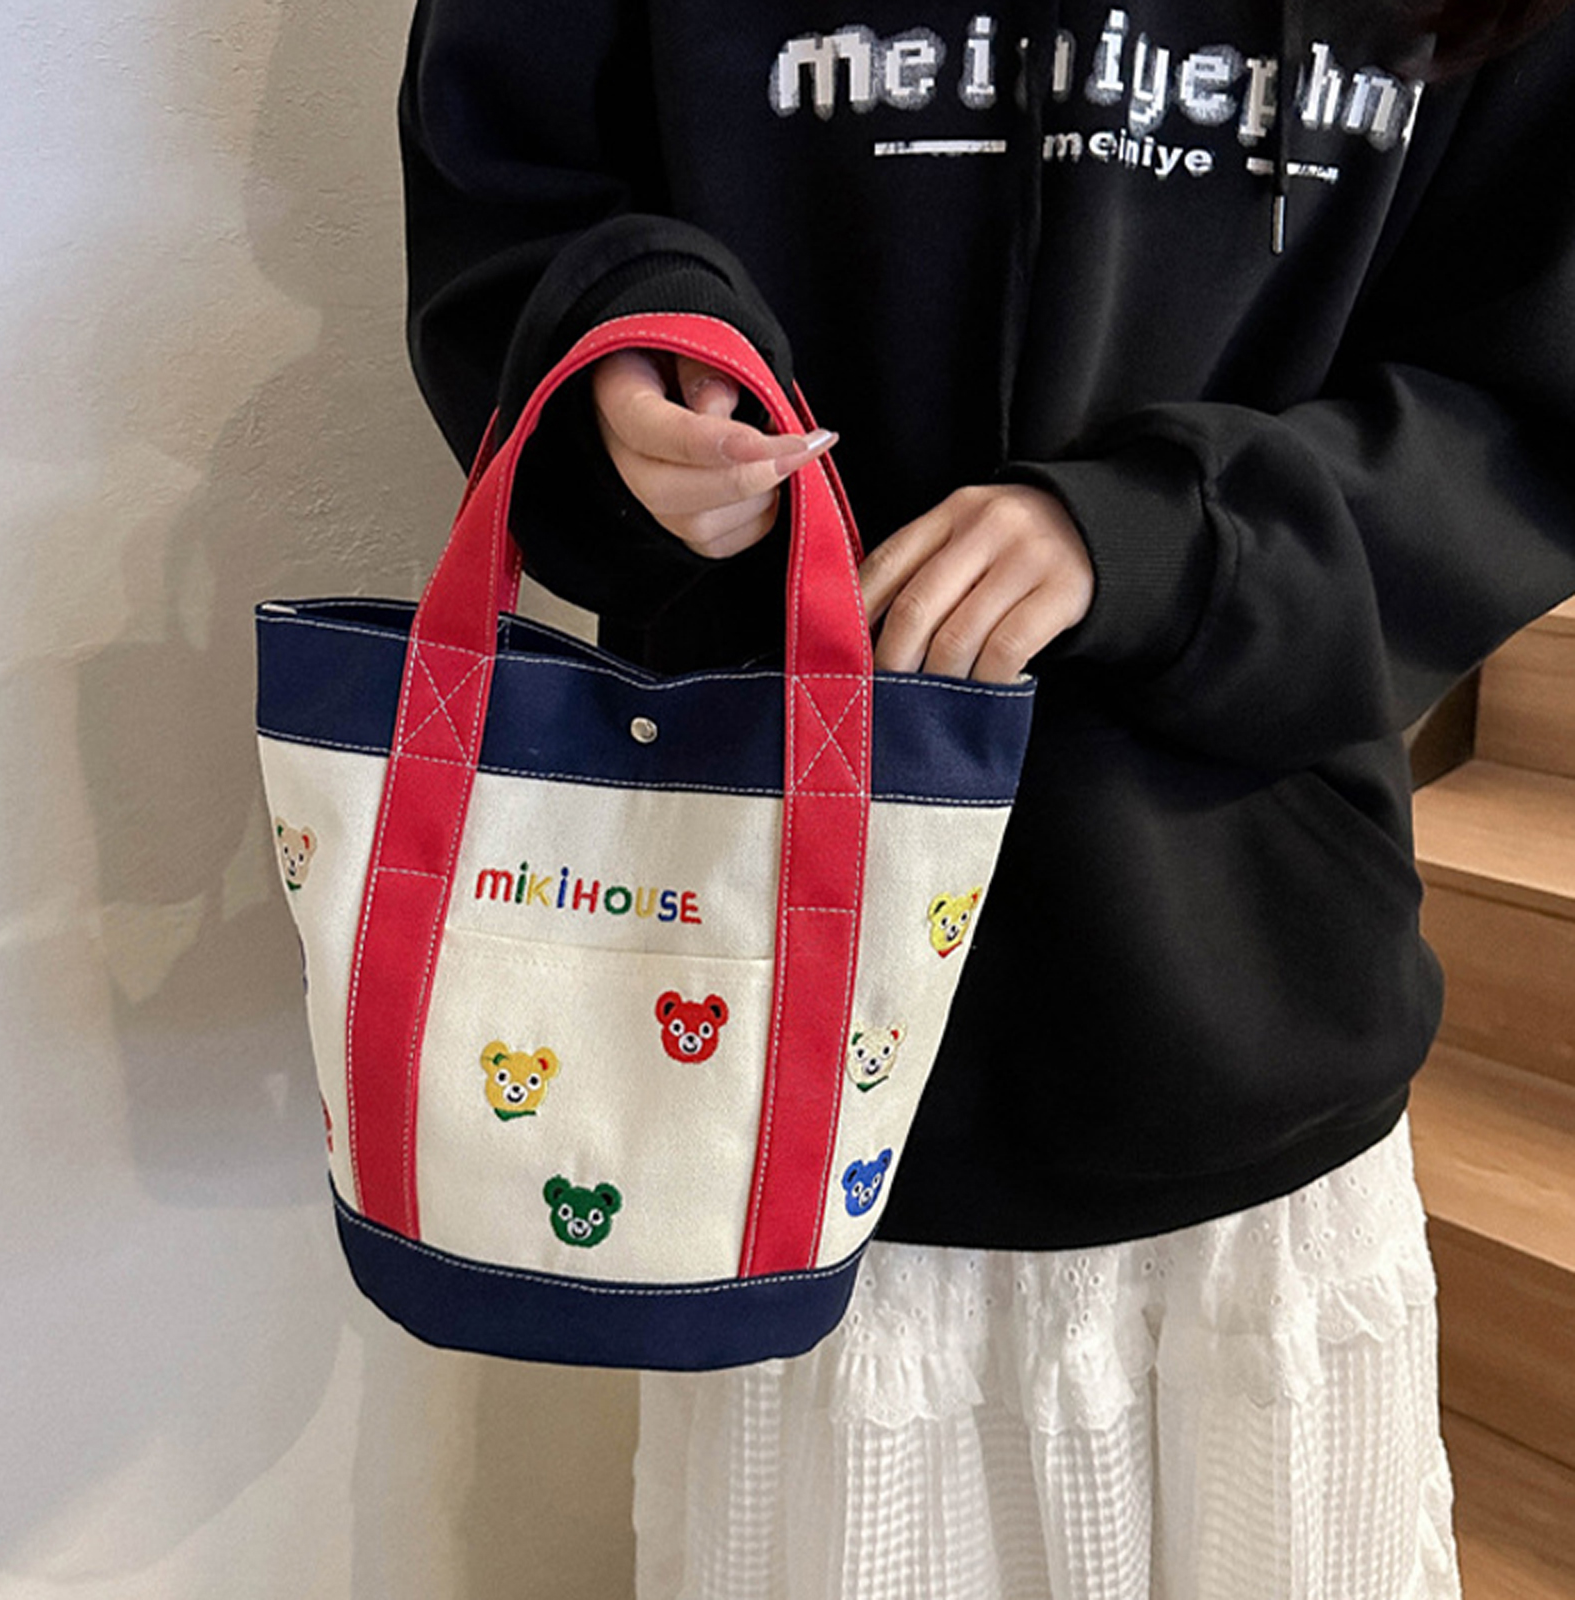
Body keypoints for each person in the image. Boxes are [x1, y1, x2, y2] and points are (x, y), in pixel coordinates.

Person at [399, 1, 1575, 1594]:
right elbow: (509, 195)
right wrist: (624, 344)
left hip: (1239, 1004)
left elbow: (1524, 399)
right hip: (777, 1039)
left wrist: (1175, 537)